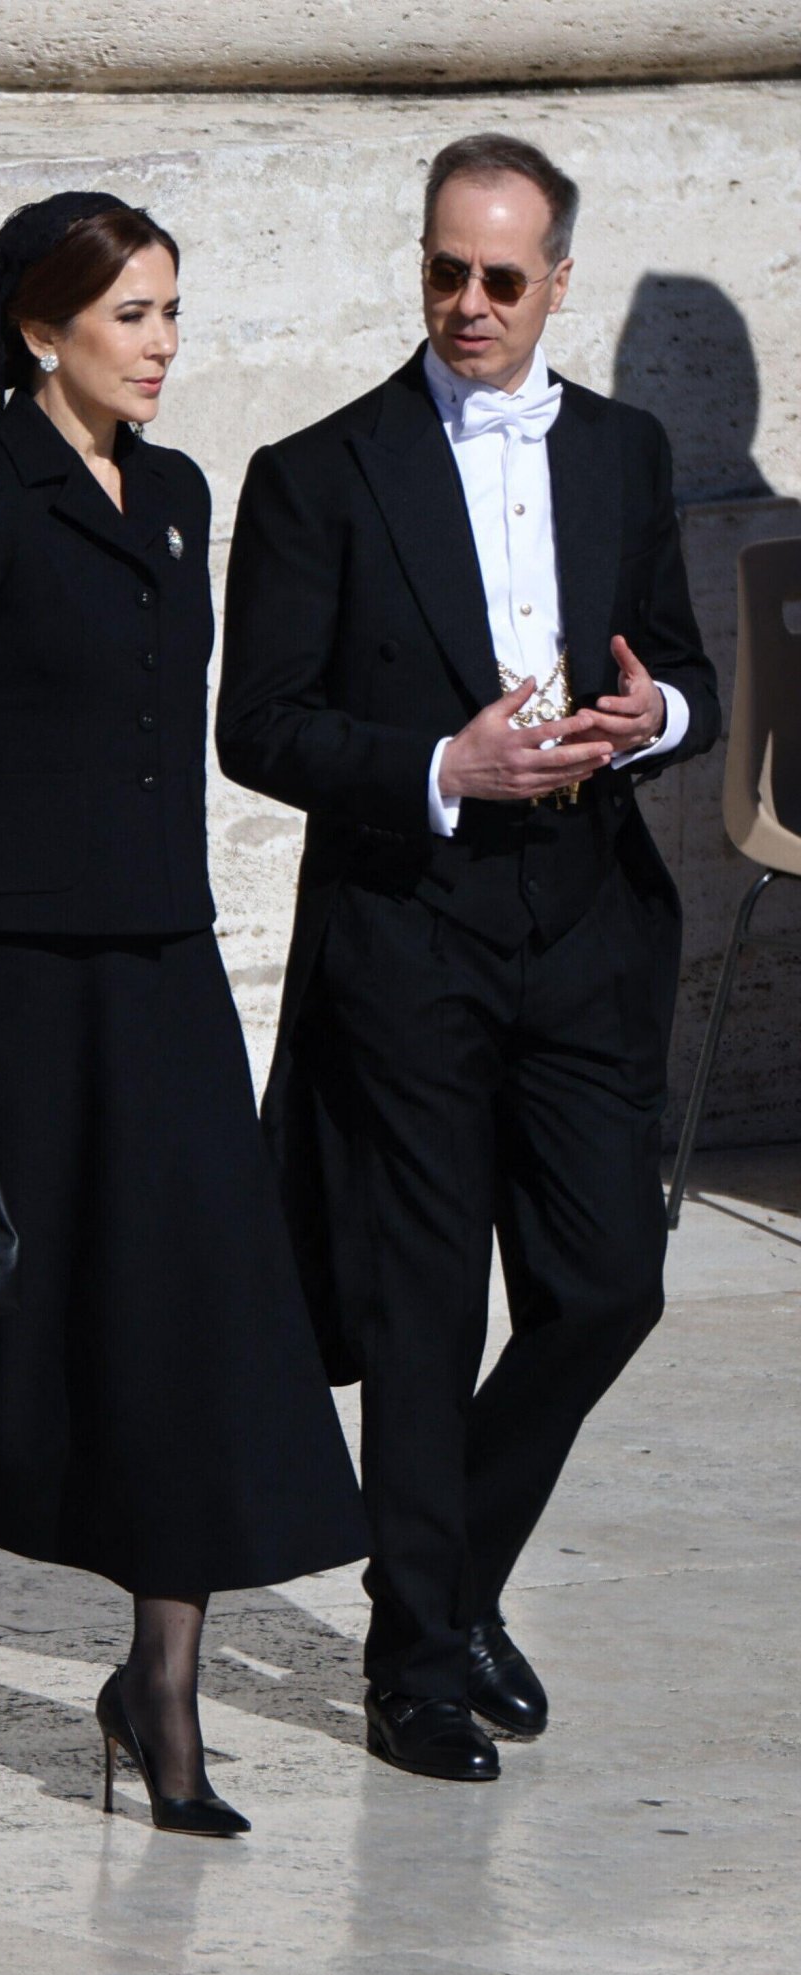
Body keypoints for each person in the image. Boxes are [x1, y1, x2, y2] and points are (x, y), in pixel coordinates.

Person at [0, 192, 367, 1836]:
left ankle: (161, 1693)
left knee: (185, 1321)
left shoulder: (178, 498)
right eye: (133, 317)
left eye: (176, 312)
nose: (166, 347)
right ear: (44, 329)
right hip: (8, 983)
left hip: (163, 975)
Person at [217, 133, 720, 1783]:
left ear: (558, 281)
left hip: (584, 930)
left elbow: (684, 667)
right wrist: (441, 768)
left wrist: (658, 721)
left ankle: (447, 1571)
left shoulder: (631, 453)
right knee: (422, 1317)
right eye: (445, 269)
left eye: (504, 277)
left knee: (605, 1290)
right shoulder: (318, 470)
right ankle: (417, 1663)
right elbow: (261, 725)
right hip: (409, 938)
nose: (469, 303)